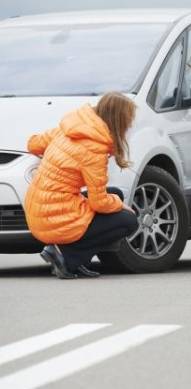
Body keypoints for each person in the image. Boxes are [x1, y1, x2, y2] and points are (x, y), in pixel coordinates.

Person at [24, 92, 139, 279]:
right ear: (119, 120)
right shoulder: (95, 149)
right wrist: (120, 204)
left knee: (115, 193)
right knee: (128, 220)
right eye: (129, 120)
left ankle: (76, 259)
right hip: (54, 217)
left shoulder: (73, 127)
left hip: (38, 207)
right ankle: (67, 257)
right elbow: (99, 203)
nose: (131, 125)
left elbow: (33, 144)